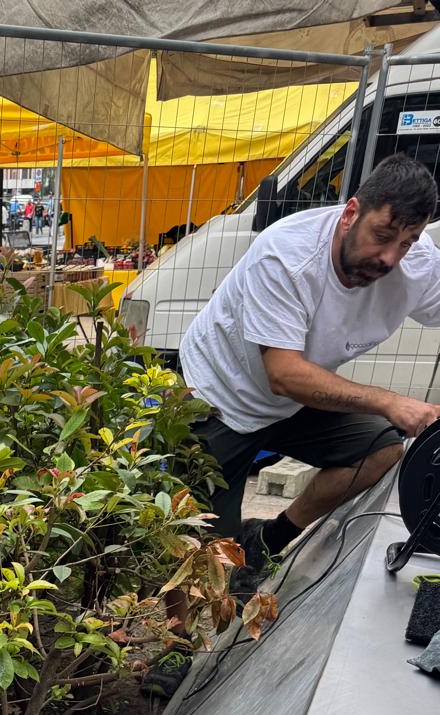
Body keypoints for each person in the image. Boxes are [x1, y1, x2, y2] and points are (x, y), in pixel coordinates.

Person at [181, 154, 440, 602]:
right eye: (382, 236)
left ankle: (266, 541)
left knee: (381, 451)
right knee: (203, 558)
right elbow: (283, 374)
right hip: (219, 397)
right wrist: (389, 401)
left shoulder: (415, 263)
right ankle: (174, 651)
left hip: (291, 403)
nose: (389, 258)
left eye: (407, 242)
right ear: (351, 213)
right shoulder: (287, 255)